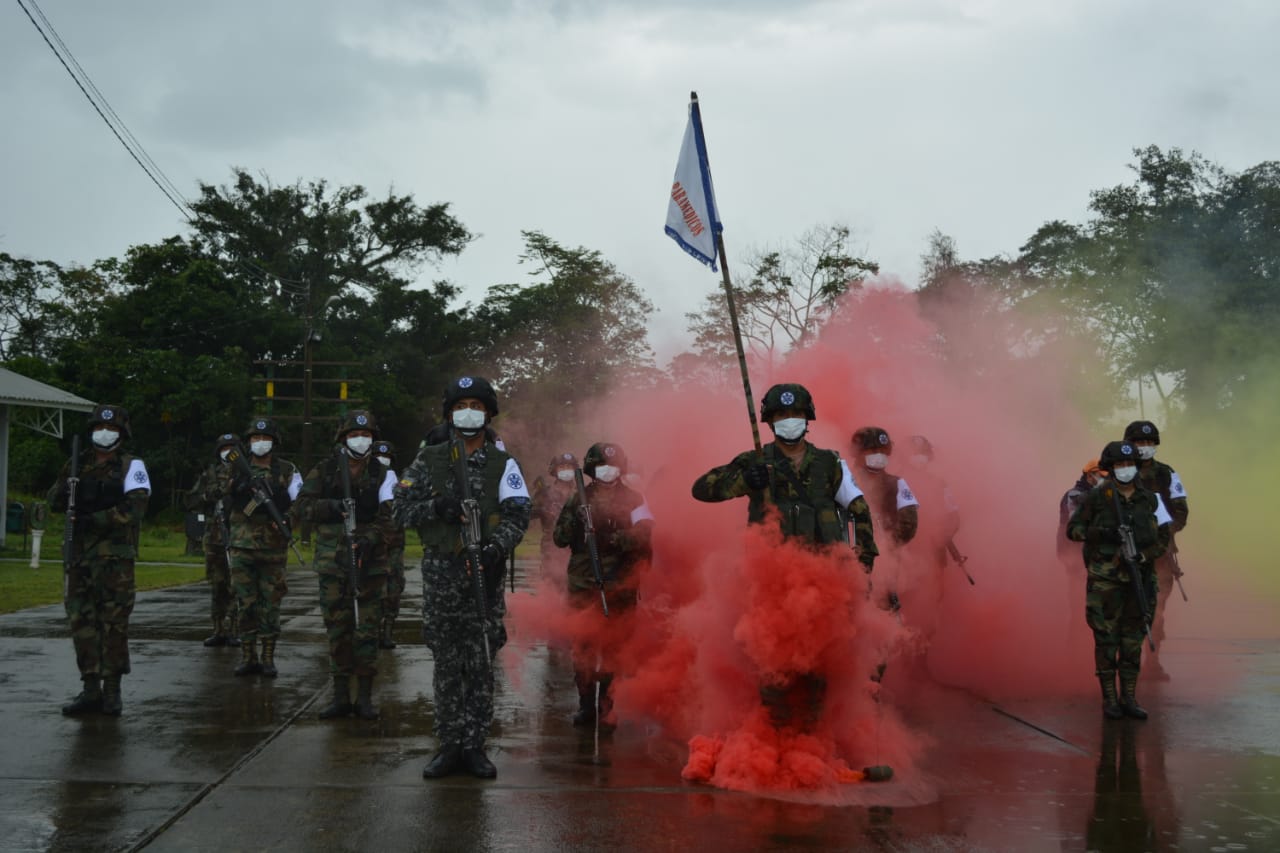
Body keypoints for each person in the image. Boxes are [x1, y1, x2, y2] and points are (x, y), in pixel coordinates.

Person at [692, 382, 878, 729]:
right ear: (769, 421)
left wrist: (863, 565)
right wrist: (745, 480)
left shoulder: (830, 464)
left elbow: (858, 509)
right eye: (781, 415)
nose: (789, 421)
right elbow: (702, 489)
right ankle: (774, 735)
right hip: (771, 581)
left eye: (795, 414)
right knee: (771, 658)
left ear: (807, 418)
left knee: (818, 661)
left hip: (823, 580)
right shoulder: (755, 461)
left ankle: (811, 735)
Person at [393, 376, 531, 779]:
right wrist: (436, 507)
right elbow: (399, 509)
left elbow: (519, 514)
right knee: (447, 664)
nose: (467, 412)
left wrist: (495, 548)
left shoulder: (504, 464)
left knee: (482, 662)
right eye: (460, 406)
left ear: (488, 413)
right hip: (441, 577)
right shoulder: (429, 460)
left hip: (483, 576)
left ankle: (475, 746)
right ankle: (449, 744)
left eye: (476, 405)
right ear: (449, 414)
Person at [47, 404, 151, 716]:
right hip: (80, 557)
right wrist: (68, 491)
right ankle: (90, 688)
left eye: (111, 429)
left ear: (122, 433)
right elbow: (54, 500)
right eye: (98, 428)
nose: (104, 434)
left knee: (114, 625)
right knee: (82, 622)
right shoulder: (76, 464)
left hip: (115, 561)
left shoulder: (132, 466)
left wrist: (95, 517)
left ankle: (112, 690)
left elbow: (135, 509)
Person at [297, 410, 398, 720]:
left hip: (370, 564)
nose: (360, 439)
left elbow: (392, 516)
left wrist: (370, 538)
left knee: (367, 631)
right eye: (354, 435)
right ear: (343, 439)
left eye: (366, 435)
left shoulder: (383, 474)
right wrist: (333, 506)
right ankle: (340, 696)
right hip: (332, 564)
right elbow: (301, 507)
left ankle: (364, 697)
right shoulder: (324, 470)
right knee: (337, 630)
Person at [1067, 440, 1171, 720]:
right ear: (1110, 468)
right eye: (1120, 465)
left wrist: (1145, 555)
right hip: (1106, 581)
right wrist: (1104, 533)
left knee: (1132, 642)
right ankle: (1110, 699)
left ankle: (1130, 697)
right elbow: (1074, 530)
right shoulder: (1096, 498)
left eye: (1130, 464)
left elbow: (1164, 537)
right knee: (1106, 641)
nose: (1126, 469)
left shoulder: (1150, 499)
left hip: (1140, 579)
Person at [553, 442, 654, 727]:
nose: (608, 471)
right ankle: (586, 706)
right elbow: (559, 538)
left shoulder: (635, 498)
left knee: (615, 647)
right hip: (584, 583)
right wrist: (578, 522)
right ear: (591, 469)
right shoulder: (578, 498)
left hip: (620, 582)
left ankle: (607, 706)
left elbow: (646, 533)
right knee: (583, 646)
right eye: (601, 466)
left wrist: (615, 538)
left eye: (613, 466)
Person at [226, 417, 302, 678]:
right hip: (242, 545)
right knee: (245, 603)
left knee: (270, 604)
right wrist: (238, 486)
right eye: (255, 438)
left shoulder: (287, 470)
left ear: (274, 442)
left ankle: (268, 657)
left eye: (265, 438)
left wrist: (286, 518)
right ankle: (248, 656)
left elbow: (301, 502)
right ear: (248, 442)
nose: (260, 442)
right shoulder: (235, 467)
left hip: (273, 547)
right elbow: (218, 494)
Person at [1124, 420, 1189, 678]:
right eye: (1139, 442)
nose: (1145, 446)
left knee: (1157, 608)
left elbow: (1181, 511)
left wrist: (1163, 530)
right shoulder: (1120, 471)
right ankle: (1126, 663)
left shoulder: (1167, 473)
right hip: (1126, 552)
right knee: (1127, 609)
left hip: (1160, 552)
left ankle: (1152, 661)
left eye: (1149, 442)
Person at [851, 427, 919, 617]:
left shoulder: (897, 483)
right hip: (851, 559)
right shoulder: (844, 480)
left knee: (881, 605)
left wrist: (887, 545)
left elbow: (909, 523)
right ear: (859, 453)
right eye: (873, 451)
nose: (879, 455)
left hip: (884, 561)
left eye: (883, 451)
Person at [184, 432, 241, 648]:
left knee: (236, 585)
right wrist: (209, 496)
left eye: (232, 448)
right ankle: (218, 629)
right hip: (214, 538)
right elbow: (191, 501)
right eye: (224, 448)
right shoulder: (209, 474)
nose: (228, 452)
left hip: (238, 536)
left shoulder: (244, 472)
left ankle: (235, 629)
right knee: (217, 585)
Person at [373, 439, 406, 650]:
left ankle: (387, 631)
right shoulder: (364, 483)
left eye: (386, 457)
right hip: (372, 546)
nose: (382, 460)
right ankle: (373, 630)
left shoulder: (401, 483)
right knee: (373, 588)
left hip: (394, 546)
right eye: (378, 457)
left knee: (394, 588)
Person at [532, 452, 577, 579]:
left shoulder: (581, 493)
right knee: (551, 583)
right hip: (551, 550)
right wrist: (542, 509)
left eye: (569, 467)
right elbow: (527, 513)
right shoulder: (545, 493)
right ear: (555, 470)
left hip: (576, 550)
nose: (566, 470)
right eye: (562, 467)